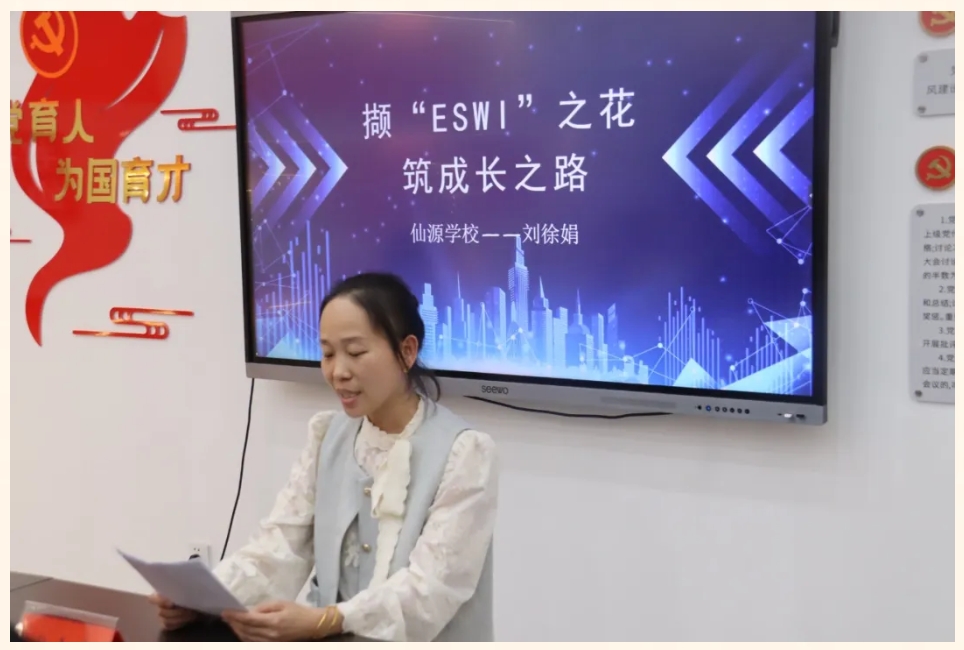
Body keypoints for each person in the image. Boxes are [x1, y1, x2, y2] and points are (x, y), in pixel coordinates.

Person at [149, 272, 498, 642]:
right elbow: (281, 545)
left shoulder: (465, 453)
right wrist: (201, 598)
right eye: (328, 353)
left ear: (407, 351)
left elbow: (432, 591)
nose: (338, 372)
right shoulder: (326, 436)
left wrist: (327, 619)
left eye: (356, 352)